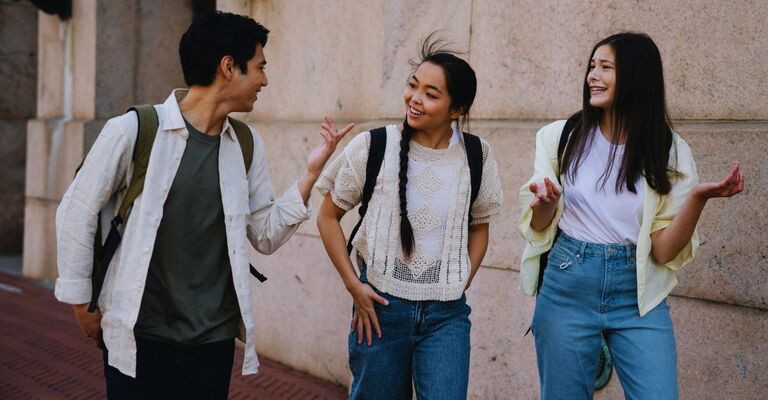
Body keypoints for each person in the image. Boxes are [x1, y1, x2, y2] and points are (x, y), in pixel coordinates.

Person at [54, 11, 352, 399]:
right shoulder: (134, 130)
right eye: (259, 67)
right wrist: (81, 304)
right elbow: (76, 212)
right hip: (141, 334)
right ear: (229, 67)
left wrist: (311, 173)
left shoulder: (243, 144)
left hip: (212, 342)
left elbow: (264, 233)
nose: (264, 80)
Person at [518, 32, 745, 399]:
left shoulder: (668, 150)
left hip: (638, 294)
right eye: (592, 66)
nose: (593, 75)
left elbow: (664, 252)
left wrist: (699, 199)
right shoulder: (560, 137)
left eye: (605, 67)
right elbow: (541, 225)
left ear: (636, 77)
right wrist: (545, 202)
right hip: (568, 283)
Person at [316, 36, 503, 399]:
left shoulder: (477, 155)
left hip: (448, 316)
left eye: (431, 94)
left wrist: (462, 278)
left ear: (456, 110)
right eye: (413, 85)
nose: (415, 99)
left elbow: (480, 227)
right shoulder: (373, 146)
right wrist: (353, 284)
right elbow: (327, 217)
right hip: (380, 311)